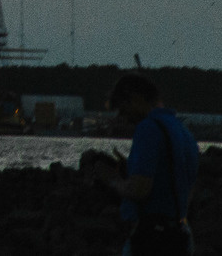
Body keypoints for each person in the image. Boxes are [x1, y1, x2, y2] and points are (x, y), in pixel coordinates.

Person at [84, 71, 199, 254]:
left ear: (136, 99)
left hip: (152, 237)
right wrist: (130, 168)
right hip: (181, 235)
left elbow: (140, 189)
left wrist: (112, 179)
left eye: (123, 108)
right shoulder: (183, 132)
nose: (123, 117)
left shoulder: (148, 128)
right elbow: (182, 186)